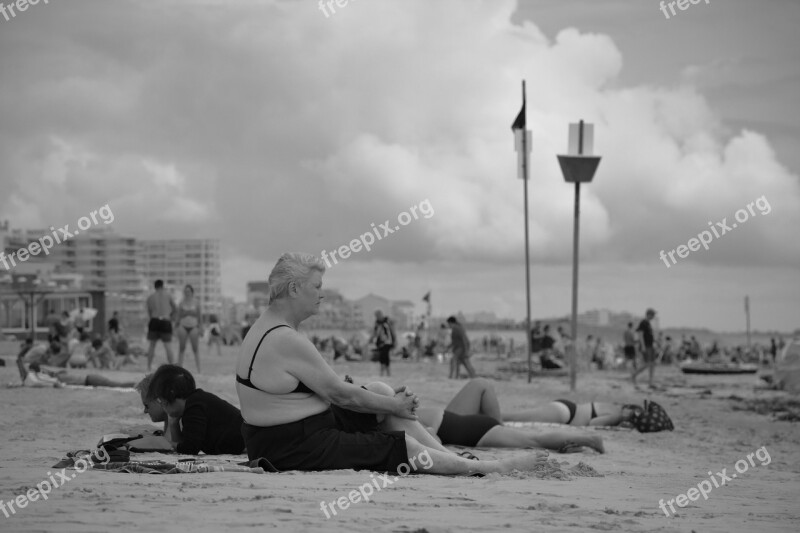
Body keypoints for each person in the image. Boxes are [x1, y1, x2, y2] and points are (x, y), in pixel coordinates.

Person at [235, 252, 548, 475]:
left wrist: (388, 401)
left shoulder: (270, 327)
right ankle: (481, 468)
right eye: (316, 287)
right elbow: (340, 395)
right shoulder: (285, 339)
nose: (323, 294)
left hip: (294, 432)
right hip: (294, 446)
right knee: (403, 446)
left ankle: (446, 455)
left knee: (380, 390)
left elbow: (336, 392)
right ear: (293, 289)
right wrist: (394, 406)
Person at [147, 364, 245, 455]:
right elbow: (183, 444)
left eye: (161, 401)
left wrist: (167, 444)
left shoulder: (195, 406)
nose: (162, 406)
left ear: (171, 395)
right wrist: (173, 423)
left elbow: (190, 448)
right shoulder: (193, 403)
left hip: (247, 443)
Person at [146, 279, 177, 371]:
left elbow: (150, 312)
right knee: (168, 346)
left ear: (155, 287)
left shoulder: (150, 297)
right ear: (162, 286)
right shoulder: (168, 295)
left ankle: (148, 366)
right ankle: (172, 367)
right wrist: (171, 317)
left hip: (154, 320)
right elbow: (175, 308)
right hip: (165, 320)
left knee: (152, 345)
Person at [176, 284, 202, 372]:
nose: (187, 293)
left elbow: (199, 316)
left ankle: (198, 369)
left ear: (192, 292)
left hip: (194, 326)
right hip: (183, 325)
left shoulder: (196, 302)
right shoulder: (181, 302)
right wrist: (187, 313)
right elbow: (178, 316)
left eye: (189, 291)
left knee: (195, 348)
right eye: (186, 291)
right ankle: (179, 367)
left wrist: (201, 327)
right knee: (181, 347)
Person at [632, 308, 658, 388]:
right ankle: (634, 375)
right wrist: (643, 346)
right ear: (649, 315)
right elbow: (640, 334)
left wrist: (655, 342)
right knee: (646, 364)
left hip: (650, 346)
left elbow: (649, 335)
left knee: (652, 364)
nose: (654, 317)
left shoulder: (648, 323)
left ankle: (651, 382)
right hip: (646, 346)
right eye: (653, 315)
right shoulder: (643, 323)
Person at [368, 310, 396, 377]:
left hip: (387, 342)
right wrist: (371, 339)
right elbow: (375, 332)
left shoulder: (387, 321)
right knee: (384, 357)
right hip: (380, 343)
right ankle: (386, 373)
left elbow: (392, 331)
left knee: (384, 357)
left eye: (378, 315)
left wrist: (394, 340)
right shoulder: (377, 323)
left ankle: (384, 373)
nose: (377, 317)